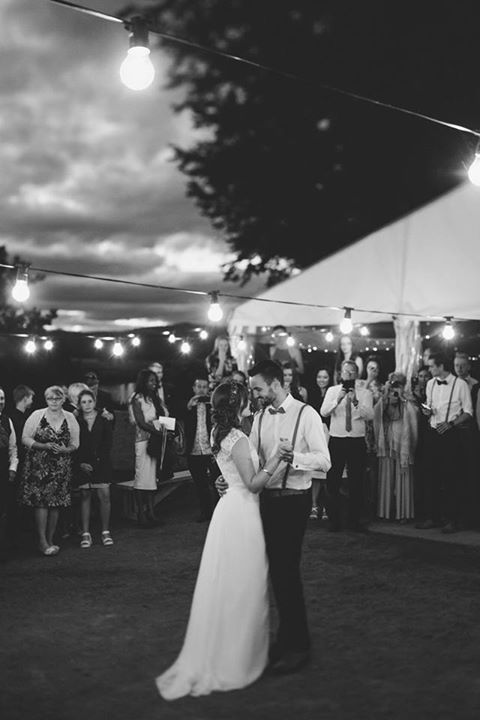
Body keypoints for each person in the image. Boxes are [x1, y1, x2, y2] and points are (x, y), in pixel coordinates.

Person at [156, 381, 288, 699]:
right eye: (247, 397)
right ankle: (238, 661)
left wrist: (224, 479)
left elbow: (229, 473)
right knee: (246, 586)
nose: (252, 400)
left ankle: (232, 650)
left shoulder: (219, 433)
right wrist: (279, 458)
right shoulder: (238, 438)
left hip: (228, 511)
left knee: (229, 585)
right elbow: (254, 484)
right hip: (243, 514)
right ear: (238, 402)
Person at [217, 360, 330, 674]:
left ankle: (299, 645)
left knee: (287, 572)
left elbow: (325, 461)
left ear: (276, 384)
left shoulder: (307, 414)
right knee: (274, 574)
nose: (254, 394)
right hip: (264, 502)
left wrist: (295, 458)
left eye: (258, 388)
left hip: (294, 501)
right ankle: (285, 638)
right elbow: (251, 461)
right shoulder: (259, 417)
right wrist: (230, 478)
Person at [19, 386, 79, 556]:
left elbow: (75, 443)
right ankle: (42, 541)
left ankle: (50, 539)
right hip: (39, 467)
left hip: (60, 467)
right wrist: (43, 446)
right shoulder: (37, 415)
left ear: (63, 400)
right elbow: (25, 438)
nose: (54, 402)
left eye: (57, 398)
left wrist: (65, 450)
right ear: (46, 400)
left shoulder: (70, 417)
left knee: (55, 504)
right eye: (50, 398)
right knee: (41, 503)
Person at [416, 353, 473, 533]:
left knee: (451, 478)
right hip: (432, 433)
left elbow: (468, 412)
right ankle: (434, 517)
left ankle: (453, 520)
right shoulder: (431, 383)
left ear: (441, 366)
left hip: (451, 435)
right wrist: (426, 411)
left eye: (432, 366)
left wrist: (451, 424)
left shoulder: (460, 384)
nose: (429, 370)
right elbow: (430, 406)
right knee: (431, 477)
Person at [321, 359, 373, 532]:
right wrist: (338, 399)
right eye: (345, 372)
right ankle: (334, 520)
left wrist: (356, 401)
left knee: (356, 482)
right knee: (333, 481)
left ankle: (354, 521)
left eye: (352, 372)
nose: (348, 375)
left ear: (356, 375)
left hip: (356, 440)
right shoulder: (332, 391)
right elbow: (324, 412)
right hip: (337, 440)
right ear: (340, 374)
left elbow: (370, 415)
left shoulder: (365, 393)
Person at [374, 373, 418, 521]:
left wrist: (403, 399)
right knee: (385, 479)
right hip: (386, 443)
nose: (396, 387)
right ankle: (384, 511)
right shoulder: (384, 399)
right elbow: (376, 416)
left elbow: (415, 420)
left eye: (399, 384)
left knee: (404, 479)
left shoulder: (408, 400)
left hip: (403, 445)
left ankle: (404, 513)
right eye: (394, 383)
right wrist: (385, 399)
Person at [75, 389, 114, 548]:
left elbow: (108, 444)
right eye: (83, 402)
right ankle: (86, 534)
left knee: (104, 495)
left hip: (102, 463)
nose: (87, 405)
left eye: (90, 401)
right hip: (82, 464)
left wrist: (97, 463)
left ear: (95, 402)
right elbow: (73, 443)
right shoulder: (75, 420)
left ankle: (105, 532)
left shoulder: (104, 419)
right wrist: (80, 463)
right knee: (85, 495)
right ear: (79, 404)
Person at [130, 369, 166, 528]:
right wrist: (157, 429)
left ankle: (151, 512)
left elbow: (163, 417)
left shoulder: (155, 398)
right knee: (141, 477)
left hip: (156, 440)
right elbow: (140, 421)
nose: (153, 383)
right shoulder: (137, 398)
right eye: (150, 380)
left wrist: (166, 430)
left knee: (151, 478)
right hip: (143, 440)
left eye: (154, 381)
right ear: (143, 381)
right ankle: (140, 514)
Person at [184, 376, 219, 522]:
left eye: (205, 387)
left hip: (211, 450)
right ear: (193, 388)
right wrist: (188, 407)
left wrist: (213, 404)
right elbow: (177, 419)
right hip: (194, 450)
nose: (202, 390)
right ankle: (206, 512)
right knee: (200, 484)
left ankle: (219, 512)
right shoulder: (188, 406)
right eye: (199, 387)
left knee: (216, 482)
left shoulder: (213, 405)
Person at [308, 368, 332, 520]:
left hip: (330, 432)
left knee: (327, 473)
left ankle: (327, 507)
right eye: (319, 376)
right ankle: (314, 505)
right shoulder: (311, 394)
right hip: (315, 433)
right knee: (315, 473)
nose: (322, 379)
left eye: (325, 376)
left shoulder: (333, 393)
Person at [0, 387, 19, 560]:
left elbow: (13, 448)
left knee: (4, 511)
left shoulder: (7, 420)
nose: (0, 402)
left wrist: (12, 468)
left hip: (3, 471)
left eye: (2, 398)